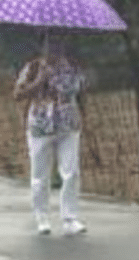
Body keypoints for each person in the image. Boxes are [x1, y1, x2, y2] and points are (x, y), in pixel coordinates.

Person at [13, 38, 87, 236]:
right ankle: (42, 217)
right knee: (39, 176)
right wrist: (39, 81)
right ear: (42, 47)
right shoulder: (33, 67)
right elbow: (18, 94)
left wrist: (82, 115)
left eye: (58, 44)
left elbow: (80, 92)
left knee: (71, 172)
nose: (54, 49)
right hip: (40, 126)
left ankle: (70, 218)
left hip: (68, 125)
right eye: (49, 45)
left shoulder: (73, 67)